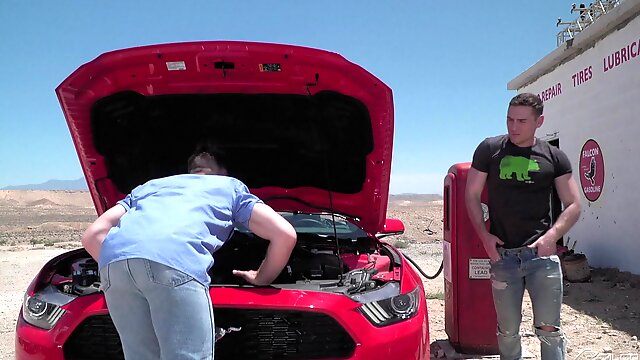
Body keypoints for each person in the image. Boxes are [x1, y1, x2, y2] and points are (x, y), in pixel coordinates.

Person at [81, 146, 297, 360]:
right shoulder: (229, 187)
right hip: (175, 261)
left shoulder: (150, 187)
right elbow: (285, 234)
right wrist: (260, 278)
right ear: (224, 172)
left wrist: (132, 267)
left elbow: (93, 235)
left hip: (114, 265)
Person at [465, 93, 581, 360]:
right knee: (507, 331)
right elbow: (471, 195)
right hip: (504, 257)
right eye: (509, 119)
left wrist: (552, 236)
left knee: (549, 330)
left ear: (539, 121)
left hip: (541, 256)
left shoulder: (554, 157)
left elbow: (573, 204)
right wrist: (484, 236)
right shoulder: (489, 150)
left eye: (521, 121)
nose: (513, 127)